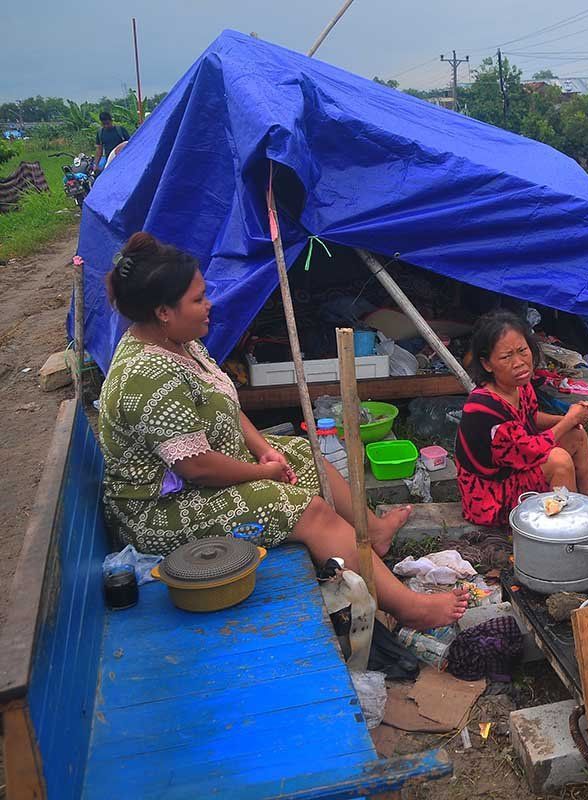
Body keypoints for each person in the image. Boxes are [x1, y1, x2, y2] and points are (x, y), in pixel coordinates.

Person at [98, 232, 467, 629]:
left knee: (303, 453)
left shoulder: (181, 344)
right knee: (306, 510)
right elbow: (197, 467)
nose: (209, 306)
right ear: (163, 312)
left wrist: (264, 451)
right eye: (197, 299)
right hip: (162, 510)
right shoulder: (147, 375)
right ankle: (407, 607)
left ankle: (373, 531)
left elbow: (226, 404)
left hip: (202, 476)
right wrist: (262, 473)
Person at [456, 310, 588, 529]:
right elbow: (529, 450)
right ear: (487, 364)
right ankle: (570, 527)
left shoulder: (519, 386)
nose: (519, 362)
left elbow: (530, 417)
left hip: (514, 467)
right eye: (506, 356)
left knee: (576, 433)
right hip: (490, 496)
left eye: (522, 351)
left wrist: (568, 420)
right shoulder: (484, 409)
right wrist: (567, 419)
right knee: (559, 462)